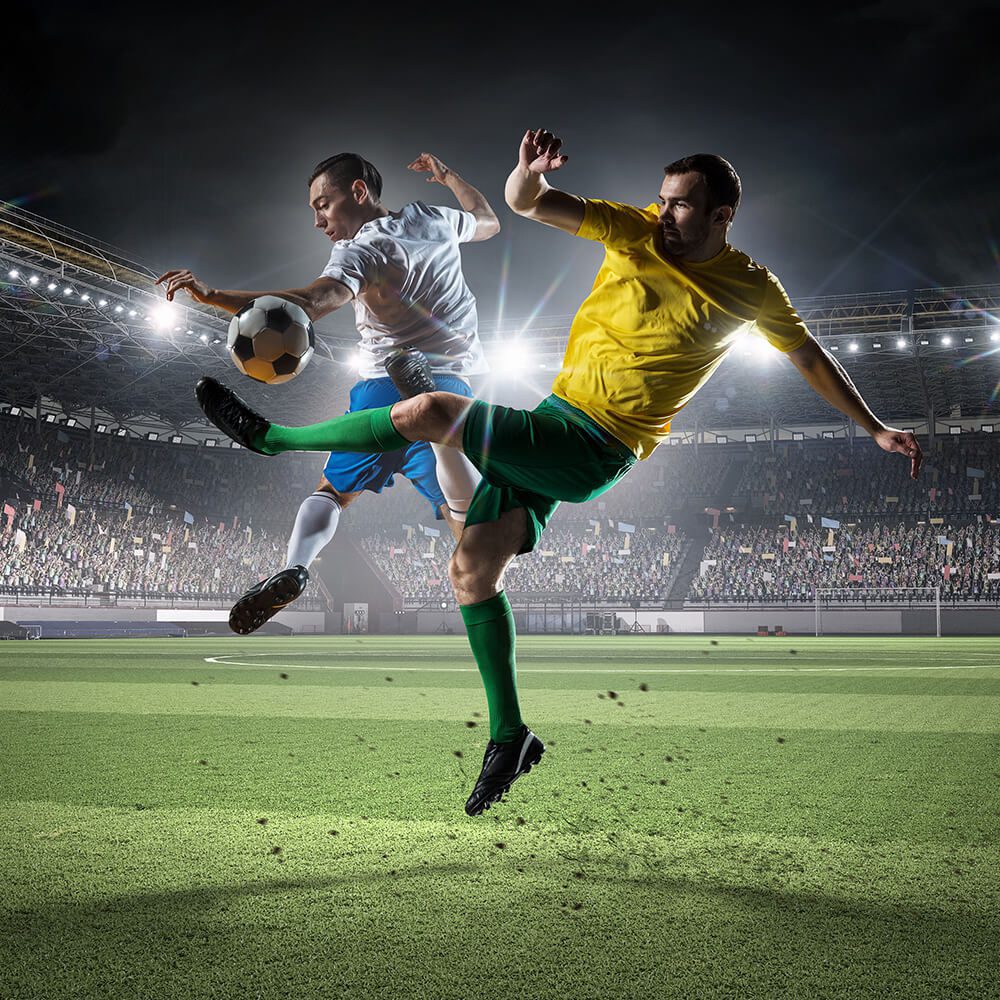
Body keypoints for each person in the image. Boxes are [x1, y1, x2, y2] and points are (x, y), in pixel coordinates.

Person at [194, 128, 924, 815]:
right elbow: (518, 206)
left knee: (429, 410)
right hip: (555, 417)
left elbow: (807, 356)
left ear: (722, 214)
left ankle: (275, 440)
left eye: (681, 203)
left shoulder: (751, 288)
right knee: (471, 572)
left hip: (599, 444)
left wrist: (874, 427)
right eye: (663, 196)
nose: (664, 211)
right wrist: (529, 172)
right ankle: (512, 737)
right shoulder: (633, 228)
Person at [157, 151, 498, 633]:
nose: (318, 221)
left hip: (384, 386)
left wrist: (216, 297)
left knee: (334, 492)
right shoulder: (433, 218)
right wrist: (448, 176)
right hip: (452, 384)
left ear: (359, 193)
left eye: (324, 205)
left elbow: (308, 304)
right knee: (467, 528)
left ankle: (296, 566)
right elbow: (487, 221)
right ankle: (447, 458)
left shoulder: (360, 251)